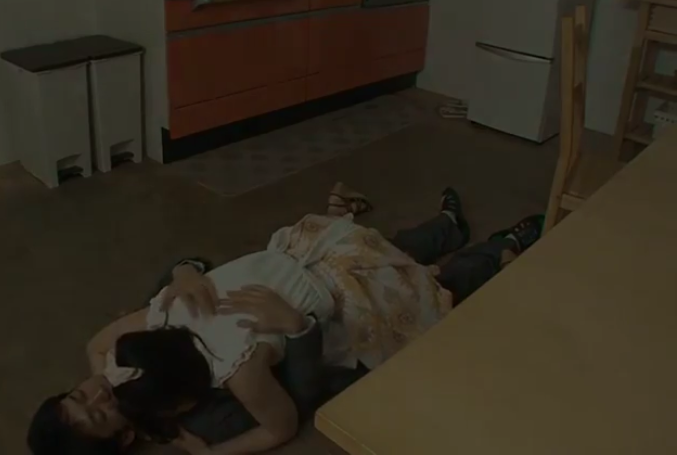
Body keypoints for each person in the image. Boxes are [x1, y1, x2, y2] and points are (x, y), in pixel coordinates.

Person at [27, 185, 544, 455]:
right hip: (325, 313)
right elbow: (290, 410)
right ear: (124, 438)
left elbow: (103, 341)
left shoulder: (137, 347)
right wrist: (295, 328)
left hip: (312, 260)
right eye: (98, 413)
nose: (98, 392)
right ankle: (501, 246)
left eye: (80, 394)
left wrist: (185, 271)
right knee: (429, 286)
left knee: (392, 251)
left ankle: (450, 227)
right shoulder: (203, 402)